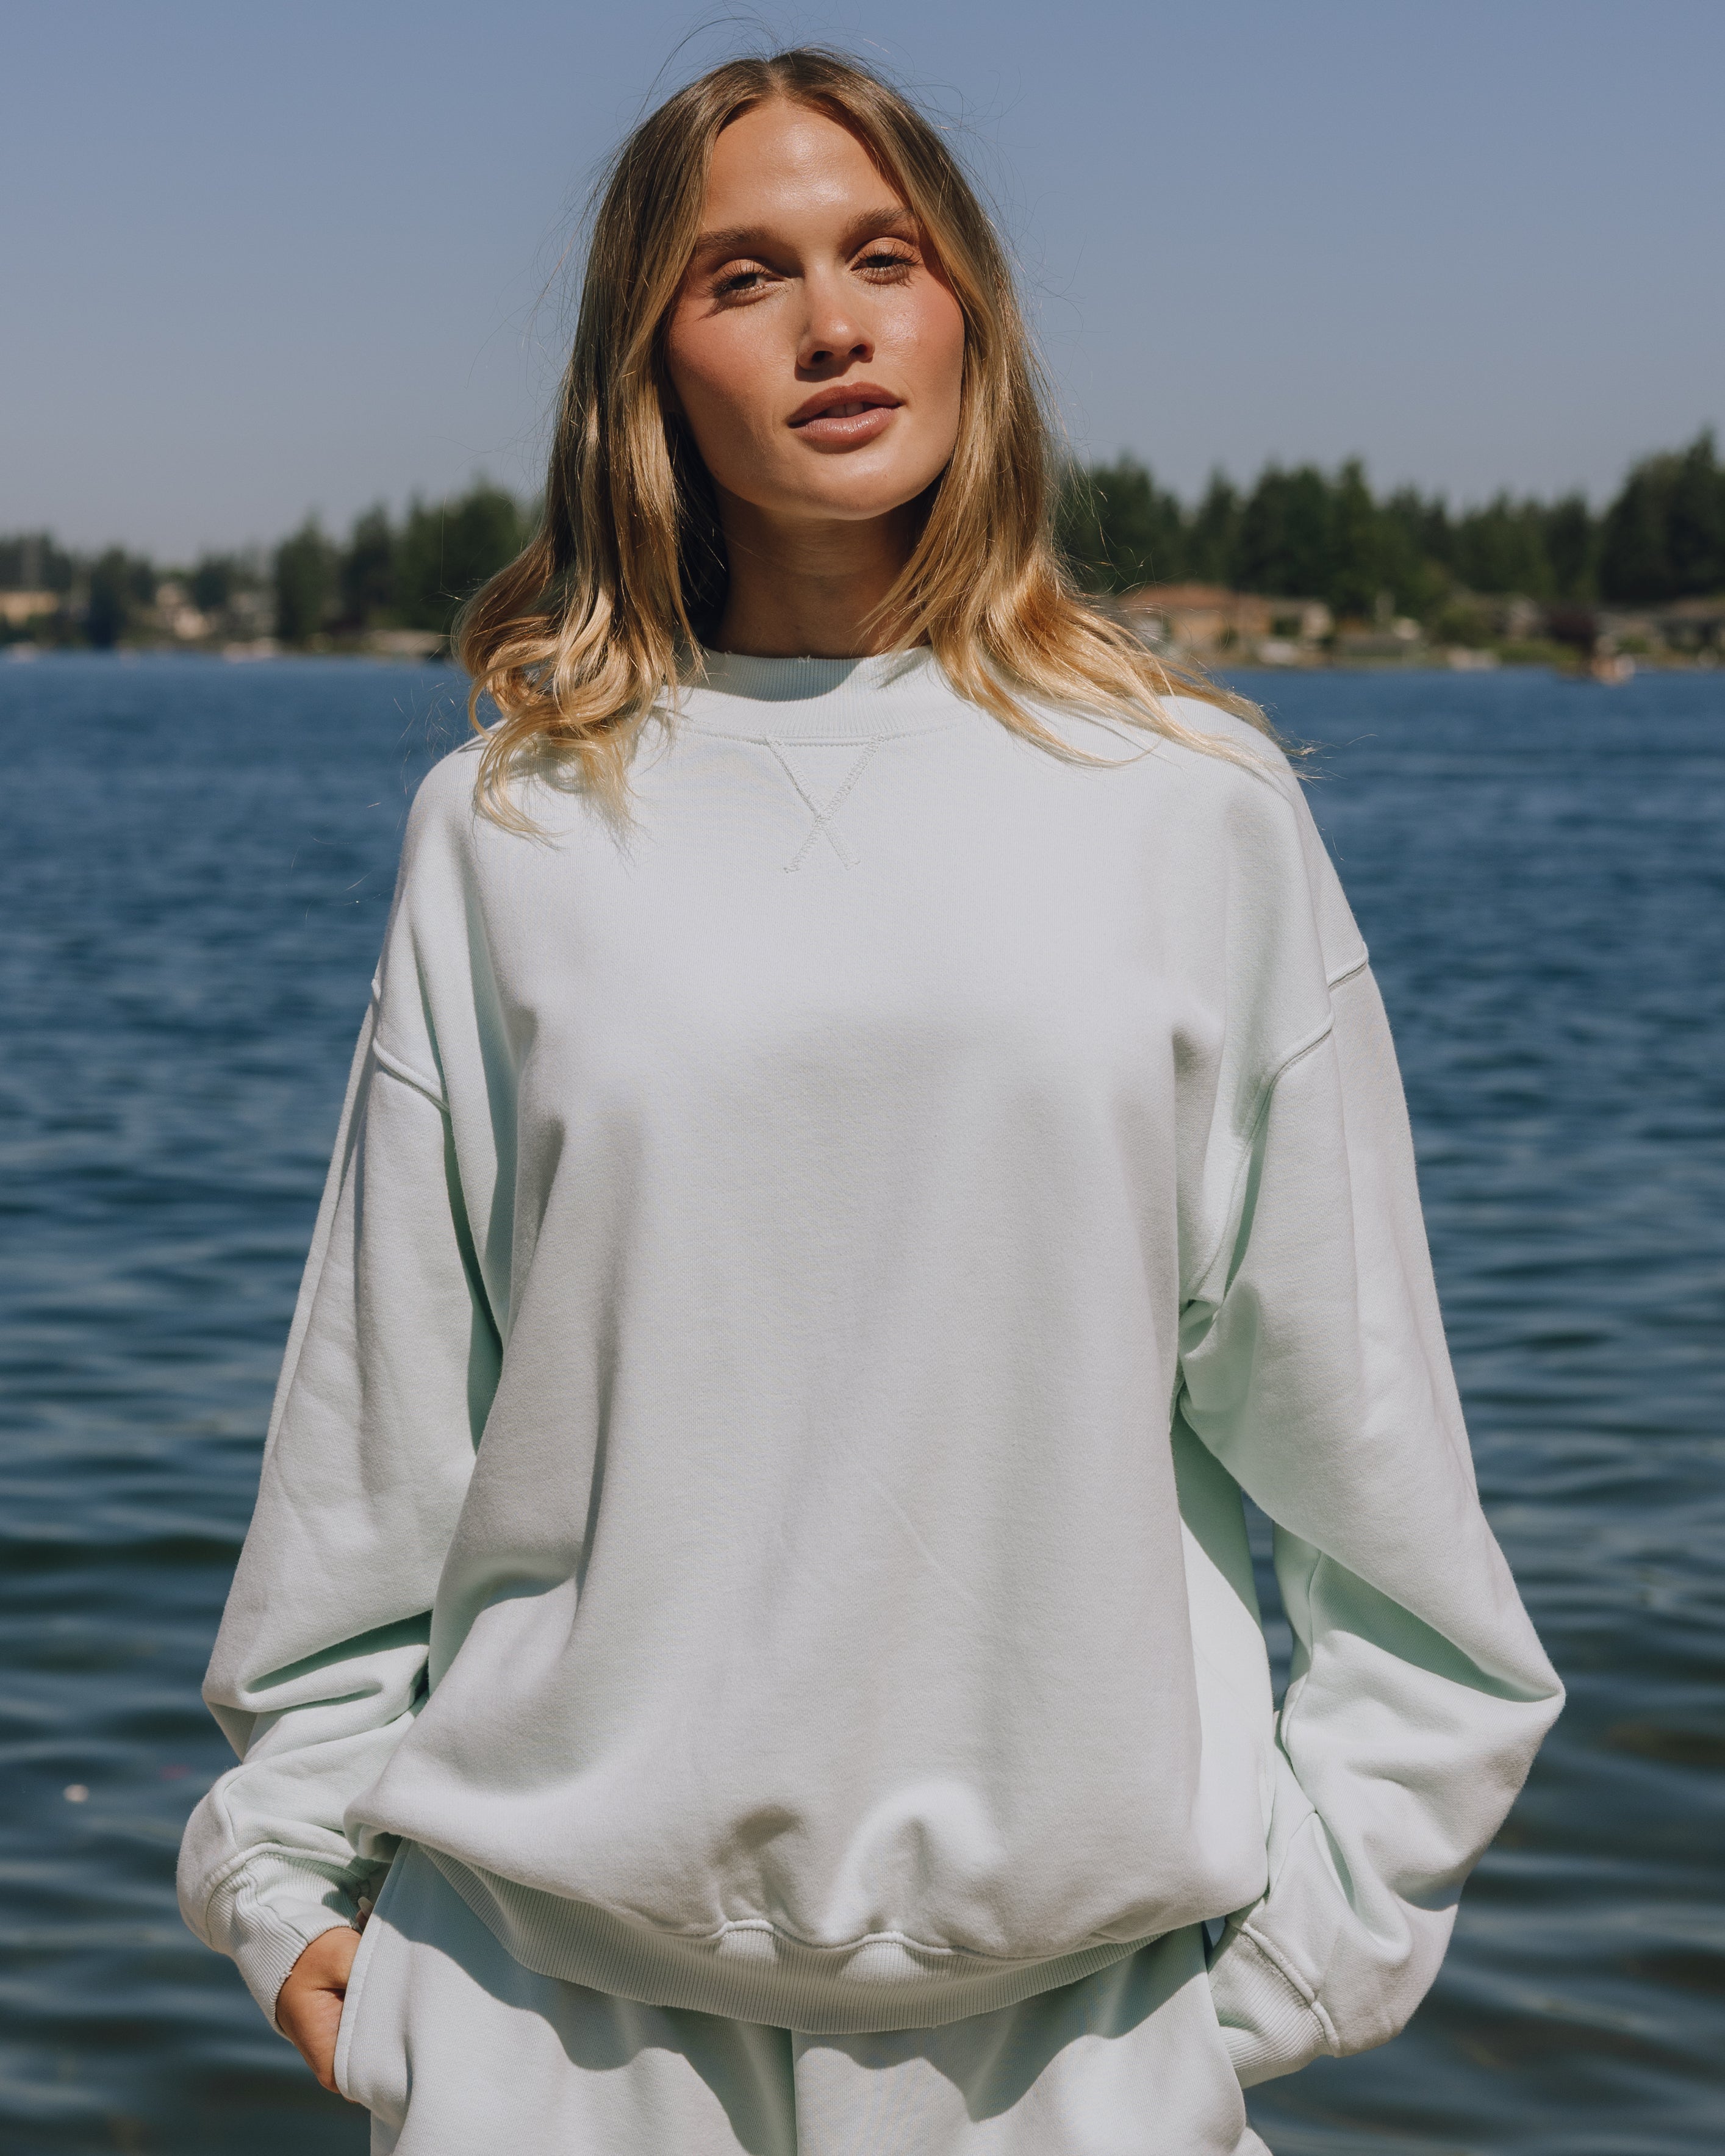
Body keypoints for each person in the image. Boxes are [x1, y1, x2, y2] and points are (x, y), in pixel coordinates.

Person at [177, 47, 1562, 2156]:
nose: (832, 324)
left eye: (883, 259)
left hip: (1076, 2045)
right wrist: (289, 1893)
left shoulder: (1187, 804)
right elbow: (383, 1429)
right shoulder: (511, 824)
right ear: (646, 370)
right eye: (745, 277)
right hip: (546, 2031)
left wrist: (1297, 1964)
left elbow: (1370, 1476)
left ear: (967, 313)